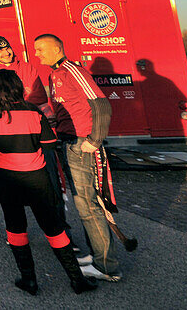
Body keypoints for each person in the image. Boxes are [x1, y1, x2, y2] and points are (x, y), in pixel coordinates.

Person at [0, 69, 96, 295]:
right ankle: (77, 280)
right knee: (53, 228)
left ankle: (29, 280)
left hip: (4, 177)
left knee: (16, 227)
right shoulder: (34, 111)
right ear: (18, 87)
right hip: (36, 177)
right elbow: (49, 145)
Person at [35, 33, 121, 283]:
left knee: (89, 205)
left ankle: (107, 266)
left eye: (41, 49)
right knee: (83, 203)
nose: (37, 53)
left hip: (83, 143)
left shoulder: (73, 69)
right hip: (69, 143)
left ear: (57, 48)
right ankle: (97, 255)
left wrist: (94, 141)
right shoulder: (55, 74)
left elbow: (102, 105)